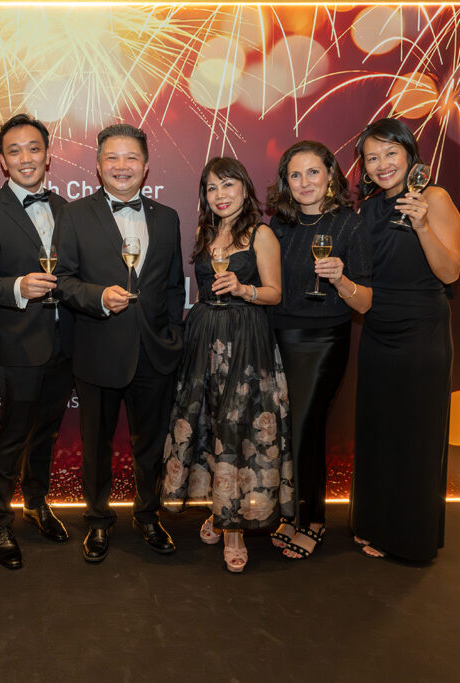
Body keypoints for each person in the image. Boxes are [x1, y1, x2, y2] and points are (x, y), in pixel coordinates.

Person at [55, 123, 185, 563]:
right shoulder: (75, 215)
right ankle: (97, 520)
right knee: (96, 445)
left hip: (154, 352)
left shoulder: (167, 217)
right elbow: (62, 281)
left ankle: (147, 516)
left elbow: (173, 287)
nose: (122, 166)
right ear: (98, 165)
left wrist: (173, 335)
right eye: (112, 157)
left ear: (146, 166)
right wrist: (98, 297)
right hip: (98, 350)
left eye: (131, 158)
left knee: (151, 445)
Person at [160, 157, 292, 573]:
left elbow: (275, 293)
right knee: (211, 427)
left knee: (238, 428)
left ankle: (234, 530)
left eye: (228, 184)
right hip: (204, 340)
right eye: (212, 187)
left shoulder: (261, 233)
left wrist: (243, 288)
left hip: (245, 340)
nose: (220, 194)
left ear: (245, 188)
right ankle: (220, 510)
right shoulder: (207, 232)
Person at [351, 118, 460, 562]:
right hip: (378, 329)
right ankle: (375, 525)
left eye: (390, 153)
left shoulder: (434, 198)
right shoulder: (368, 211)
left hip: (421, 332)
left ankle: (411, 539)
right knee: (379, 431)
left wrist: (422, 226)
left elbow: (450, 272)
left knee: (415, 435)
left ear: (409, 153)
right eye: (371, 158)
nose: (382, 164)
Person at [0, 114, 73, 570]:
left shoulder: (68, 209)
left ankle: (36, 502)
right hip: (20, 345)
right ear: (3, 160)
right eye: (15, 150)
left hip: (65, 343)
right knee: (13, 434)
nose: (25, 158)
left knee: (47, 432)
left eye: (34, 148)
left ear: (47, 155)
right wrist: (17, 287)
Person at [265, 141, 373, 560]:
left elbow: (364, 303)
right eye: (295, 175)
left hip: (325, 339)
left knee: (306, 426)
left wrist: (340, 279)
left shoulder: (350, 225)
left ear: (330, 175)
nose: (304, 182)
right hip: (279, 336)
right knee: (285, 430)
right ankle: (290, 512)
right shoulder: (279, 225)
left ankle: (313, 520)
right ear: (286, 182)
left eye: (313, 172)